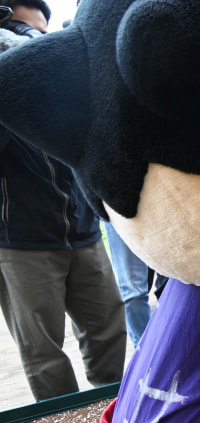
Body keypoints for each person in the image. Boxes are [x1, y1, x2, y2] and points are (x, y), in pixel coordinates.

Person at [0, 0, 126, 402]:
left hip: (83, 230)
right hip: (21, 240)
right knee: (43, 354)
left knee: (109, 330)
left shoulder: (61, 62)